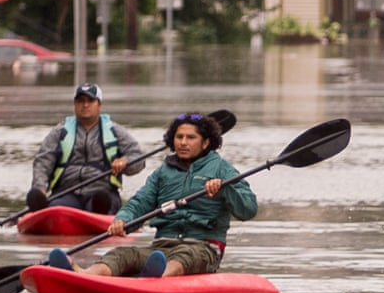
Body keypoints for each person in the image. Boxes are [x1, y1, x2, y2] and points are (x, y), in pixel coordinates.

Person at [48, 112, 257, 277]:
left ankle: (156, 278)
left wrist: (225, 188)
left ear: (205, 143)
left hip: (203, 247)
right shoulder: (163, 172)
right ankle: (84, 274)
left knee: (185, 256)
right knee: (123, 254)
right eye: (179, 137)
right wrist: (122, 219)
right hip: (162, 246)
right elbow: (140, 202)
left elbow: (248, 209)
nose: (183, 142)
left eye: (191, 137)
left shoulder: (222, 169)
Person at [31, 83, 145, 214]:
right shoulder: (60, 132)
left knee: (101, 200)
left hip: (103, 193)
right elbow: (43, 162)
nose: (85, 105)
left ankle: (99, 215)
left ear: (99, 105)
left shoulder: (115, 131)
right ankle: (46, 212)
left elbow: (138, 158)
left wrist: (125, 161)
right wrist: (40, 188)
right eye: (81, 101)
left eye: (90, 101)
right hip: (66, 193)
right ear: (75, 105)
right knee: (56, 208)